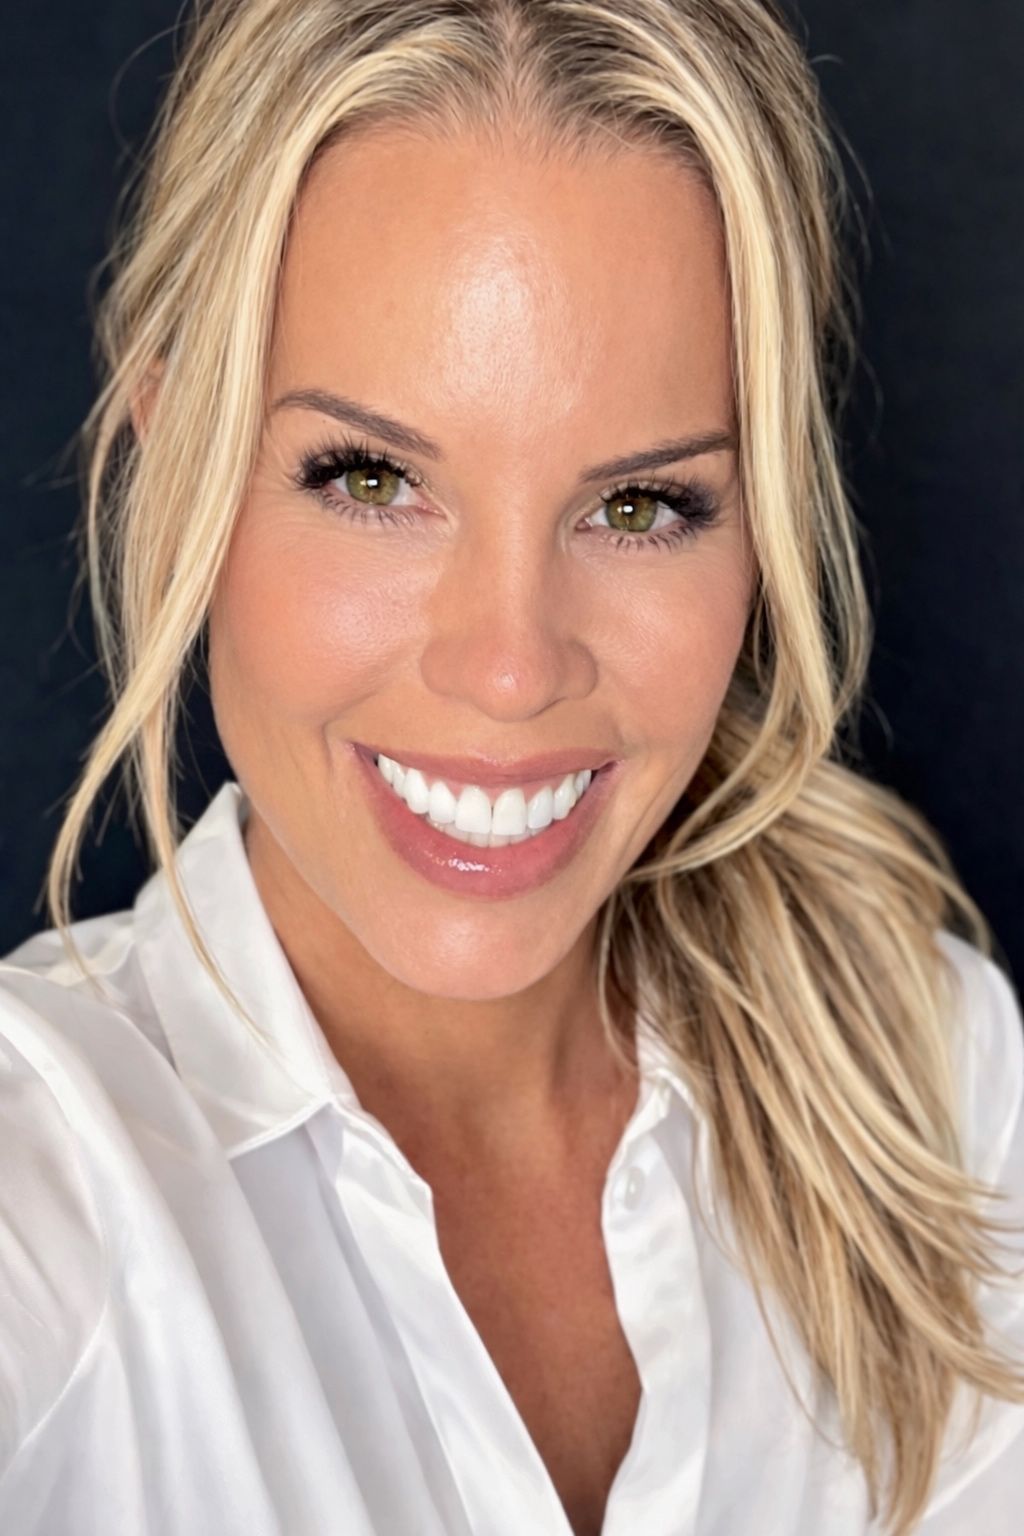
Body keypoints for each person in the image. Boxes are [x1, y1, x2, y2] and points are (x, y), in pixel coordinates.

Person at [1, 1, 1021, 1532]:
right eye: (371, 478)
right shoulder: (42, 1192)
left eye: (641, 506)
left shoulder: (932, 1075)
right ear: (178, 471)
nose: (509, 664)